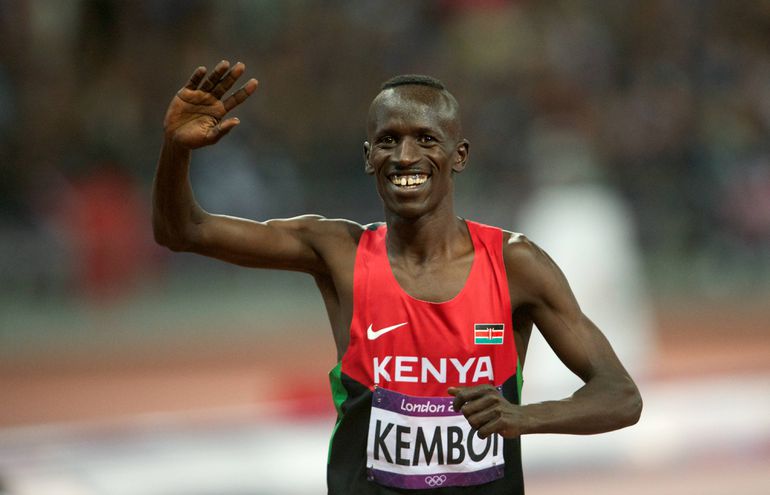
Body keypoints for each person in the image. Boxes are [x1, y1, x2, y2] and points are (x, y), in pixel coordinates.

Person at [153, 60, 642, 494]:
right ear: (369, 157)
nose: (405, 156)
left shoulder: (514, 264)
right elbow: (183, 230)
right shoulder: (338, 252)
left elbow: (620, 395)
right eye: (388, 140)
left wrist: (522, 417)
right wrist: (175, 149)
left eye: (426, 139)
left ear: (459, 155)